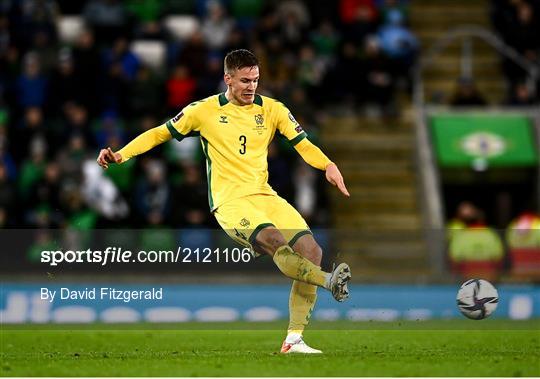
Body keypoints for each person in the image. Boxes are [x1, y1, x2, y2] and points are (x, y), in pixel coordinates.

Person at [97, 49, 352, 354]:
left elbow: (303, 144)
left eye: (255, 80)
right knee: (273, 240)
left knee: (312, 250)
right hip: (230, 202)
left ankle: (294, 339)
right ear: (227, 79)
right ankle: (327, 281)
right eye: (245, 80)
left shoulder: (273, 110)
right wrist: (121, 154)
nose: (251, 86)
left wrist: (328, 165)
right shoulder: (202, 111)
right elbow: (159, 134)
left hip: (264, 195)